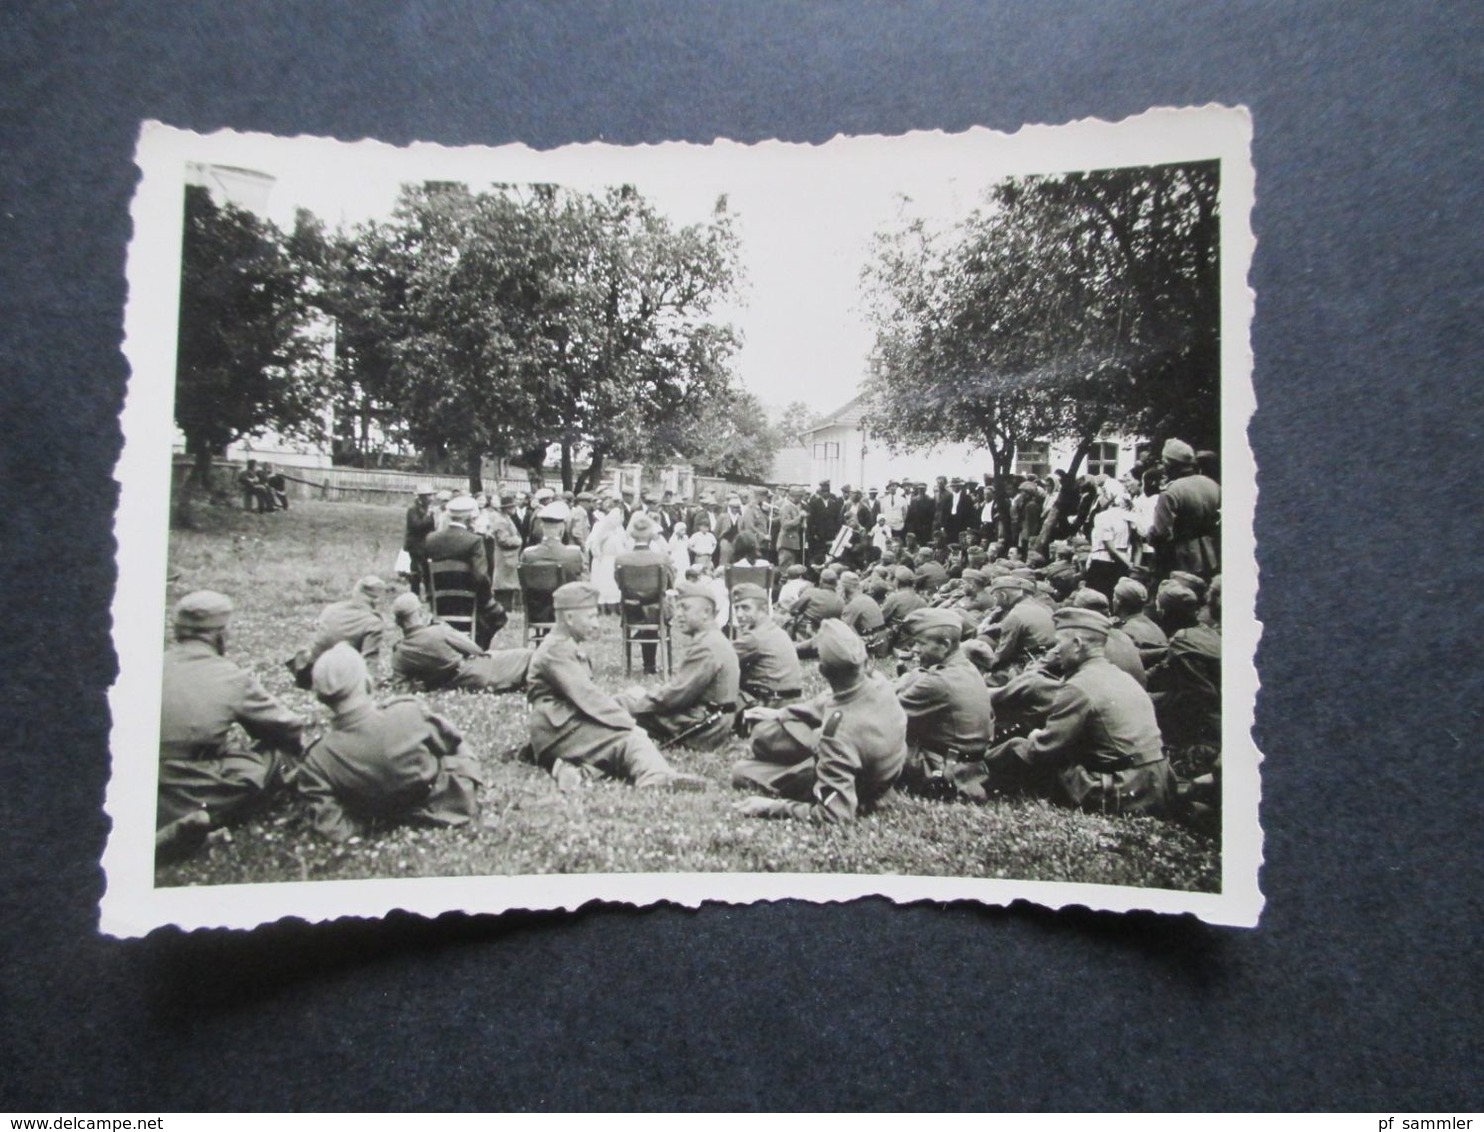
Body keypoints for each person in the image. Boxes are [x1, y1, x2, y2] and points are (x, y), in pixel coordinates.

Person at [957, 608, 1174, 817]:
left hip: (1120, 792)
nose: (1056, 651)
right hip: (1156, 785)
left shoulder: (1079, 686)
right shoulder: (1120, 675)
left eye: (1059, 644)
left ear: (1077, 644)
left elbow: (1043, 750)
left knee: (1018, 748)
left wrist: (1034, 737)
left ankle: (961, 778)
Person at [155, 591, 305, 858]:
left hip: (143, 786)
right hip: (193, 787)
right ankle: (193, 827)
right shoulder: (231, 677)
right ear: (219, 634)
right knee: (276, 758)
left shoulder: (149, 666)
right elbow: (288, 728)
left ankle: (167, 833)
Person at [525, 582, 707, 791]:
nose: (596, 624)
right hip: (557, 730)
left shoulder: (562, 646)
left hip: (561, 725)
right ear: (569, 618)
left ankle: (575, 770)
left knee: (619, 734)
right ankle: (654, 777)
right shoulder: (556, 651)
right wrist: (626, 722)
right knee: (630, 739)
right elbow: (588, 697)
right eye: (591, 616)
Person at [292, 643, 483, 841]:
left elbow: (332, 827)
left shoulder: (317, 759)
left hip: (379, 816)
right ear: (368, 683)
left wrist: (373, 823)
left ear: (321, 698)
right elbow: (453, 742)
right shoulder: (409, 712)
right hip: (444, 804)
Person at [732, 620, 908, 824]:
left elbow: (834, 814)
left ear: (822, 671)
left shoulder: (837, 734)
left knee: (743, 771)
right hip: (879, 774)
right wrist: (781, 713)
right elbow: (828, 700)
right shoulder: (879, 682)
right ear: (864, 662)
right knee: (768, 734)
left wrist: (770, 807)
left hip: (860, 787)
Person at [617, 581, 740, 751]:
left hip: (702, 728)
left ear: (706, 612)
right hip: (713, 721)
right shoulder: (715, 639)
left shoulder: (706, 646)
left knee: (620, 703)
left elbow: (675, 696)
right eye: (678, 608)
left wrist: (640, 700)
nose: (678, 615)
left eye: (685, 608)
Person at [894, 607, 996, 795]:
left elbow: (884, 715)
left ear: (945, 645)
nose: (915, 649)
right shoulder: (967, 668)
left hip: (941, 772)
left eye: (920, 643)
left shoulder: (938, 681)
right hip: (969, 770)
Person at [389, 592, 531, 693]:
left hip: (453, 684)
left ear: (398, 622)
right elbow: (475, 649)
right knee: (527, 656)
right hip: (480, 672)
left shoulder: (399, 653)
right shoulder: (439, 631)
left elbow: (400, 688)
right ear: (419, 613)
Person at [426, 495, 505, 648]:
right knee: (498, 617)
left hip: (439, 604)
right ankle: (475, 649)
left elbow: (426, 573)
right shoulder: (474, 541)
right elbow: (480, 576)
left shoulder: (431, 539)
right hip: (467, 605)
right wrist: (487, 599)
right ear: (470, 518)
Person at [288, 575, 389, 688]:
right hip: (338, 680)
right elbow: (369, 660)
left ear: (355, 592)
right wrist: (373, 685)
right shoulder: (373, 622)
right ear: (377, 600)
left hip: (310, 672)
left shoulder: (331, 608)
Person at [1147, 438, 1221, 582]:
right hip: (1211, 554)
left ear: (1169, 464)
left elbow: (1162, 533)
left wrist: (1151, 535)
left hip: (1181, 559)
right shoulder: (1212, 485)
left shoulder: (1171, 492)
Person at [614, 512, 674, 676]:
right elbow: (670, 584)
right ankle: (650, 665)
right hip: (656, 611)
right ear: (651, 537)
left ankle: (647, 664)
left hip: (631, 611)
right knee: (656, 605)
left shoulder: (621, 560)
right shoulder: (662, 559)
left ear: (633, 536)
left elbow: (619, 584)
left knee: (646, 607)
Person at [729, 582, 803, 712]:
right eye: (736, 608)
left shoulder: (754, 637)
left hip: (770, 706)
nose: (739, 615)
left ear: (763, 609)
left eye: (745, 608)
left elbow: (716, 662)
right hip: (788, 703)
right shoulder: (773, 629)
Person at [980, 576, 1055, 682]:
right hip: (1053, 659)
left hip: (1033, 665)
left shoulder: (1014, 615)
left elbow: (1002, 654)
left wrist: (984, 666)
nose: (996, 603)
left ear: (1004, 596)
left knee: (986, 681)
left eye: (996, 598)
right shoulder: (1042, 606)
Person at [1086, 478, 1136, 598]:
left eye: (1102, 494)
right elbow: (1136, 543)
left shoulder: (1103, 517)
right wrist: (1131, 565)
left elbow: (1110, 546)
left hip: (1102, 564)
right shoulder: (1130, 515)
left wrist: (1128, 565)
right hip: (1123, 561)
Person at [1111, 577, 1168, 670]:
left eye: (1114, 597)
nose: (1112, 600)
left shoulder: (1125, 632)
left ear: (1118, 602)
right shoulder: (1155, 626)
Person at [586, 503, 628, 614]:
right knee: (607, 584)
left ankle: (616, 608)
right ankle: (605, 609)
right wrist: (599, 556)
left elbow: (624, 543)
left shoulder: (620, 529)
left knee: (614, 586)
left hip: (616, 560)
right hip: (607, 561)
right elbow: (595, 545)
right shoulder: (603, 528)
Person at [486, 493, 524, 612]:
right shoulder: (502, 521)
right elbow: (504, 540)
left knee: (507, 587)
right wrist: (518, 541)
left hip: (508, 558)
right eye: (512, 507)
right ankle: (503, 610)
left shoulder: (506, 518)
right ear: (506, 508)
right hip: (505, 558)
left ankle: (506, 609)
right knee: (504, 587)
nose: (514, 509)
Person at [786, 566, 845, 642]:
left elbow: (793, 610)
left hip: (806, 632)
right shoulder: (840, 601)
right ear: (835, 583)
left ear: (821, 581)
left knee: (786, 620)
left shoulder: (811, 592)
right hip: (829, 635)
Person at [838, 570, 888, 656]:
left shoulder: (854, 604)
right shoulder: (866, 598)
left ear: (843, 587)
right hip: (881, 643)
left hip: (872, 645)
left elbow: (843, 628)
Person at [402, 483, 438, 597]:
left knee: (428, 571)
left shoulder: (431, 510)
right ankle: (415, 595)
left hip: (427, 545)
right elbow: (416, 525)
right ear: (421, 497)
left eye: (431, 495)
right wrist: (428, 515)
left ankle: (429, 594)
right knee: (416, 572)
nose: (431, 498)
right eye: (428, 496)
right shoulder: (413, 510)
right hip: (415, 546)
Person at [775, 485, 805, 571]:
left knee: (791, 568)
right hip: (786, 542)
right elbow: (785, 525)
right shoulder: (786, 507)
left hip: (792, 543)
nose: (801, 499)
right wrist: (799, 517)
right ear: (794, 496)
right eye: (800, 497)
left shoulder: (796, 506)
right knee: (785, 568)